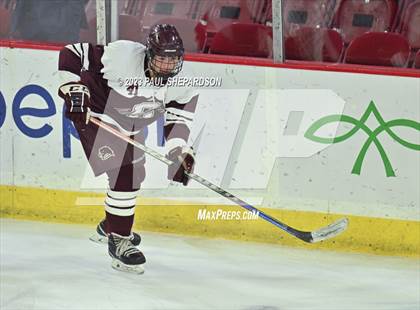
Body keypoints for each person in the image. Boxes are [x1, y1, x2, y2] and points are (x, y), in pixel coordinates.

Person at [57, 24, 198, 274]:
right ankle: (119, 241)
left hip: (130, 125)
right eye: (162, 59)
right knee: (124, 172)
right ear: (148, 53)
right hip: (96, 115)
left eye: (173, 59)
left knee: (135, 175)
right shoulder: (122, 55)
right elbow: (71, 52)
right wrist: (74, 89)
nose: (167, 66)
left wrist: (179, 152)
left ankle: (110, 226)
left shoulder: (184, 83)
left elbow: (178, 123)